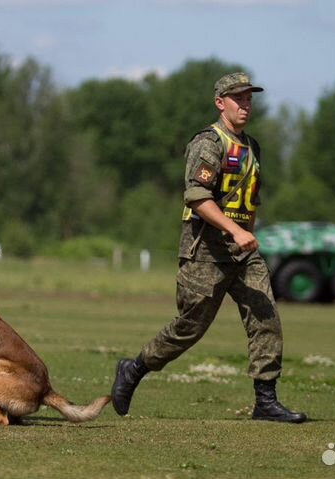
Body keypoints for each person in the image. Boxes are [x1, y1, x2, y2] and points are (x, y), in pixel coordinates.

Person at [111, 72, 307, 424]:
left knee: (266, 319)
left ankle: (266, 401)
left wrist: (247, 235)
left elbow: (250, 200)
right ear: (221, 103)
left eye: (249, 98)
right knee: (189, 327)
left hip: (243, 254)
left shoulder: (253, 146)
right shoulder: (208, 142)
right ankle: (134, 369)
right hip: (206, 251)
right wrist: (234, 230)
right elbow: (197, 198)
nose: (245, 105)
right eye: (238, 98)